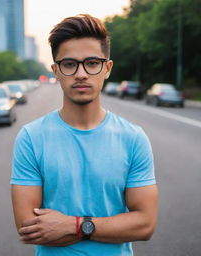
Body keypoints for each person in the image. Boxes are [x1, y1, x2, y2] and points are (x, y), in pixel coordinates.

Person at [11, 14, 158, 256]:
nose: (81, 73)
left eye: (91, 63)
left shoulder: (133, 138)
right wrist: (112, 226)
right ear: (56, 71)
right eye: (69, 64)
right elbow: (29, 227)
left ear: (107, 69)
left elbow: (145, 225)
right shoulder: (31, 138)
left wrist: (74, 226)